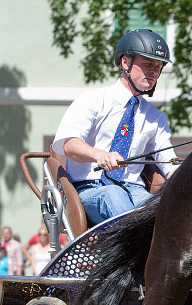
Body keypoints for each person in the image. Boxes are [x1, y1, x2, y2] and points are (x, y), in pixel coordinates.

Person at [52, 28, 179, 226]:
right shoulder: (92, 100)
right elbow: (69, 144)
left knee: (164, 211)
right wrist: (100, 155)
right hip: (91, 189)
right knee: (114, 196)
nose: (154, 71)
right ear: (125, 62)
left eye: (159, 66)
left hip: (134, 191)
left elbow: (169, 163)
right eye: (147, 64)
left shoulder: (156, 118)